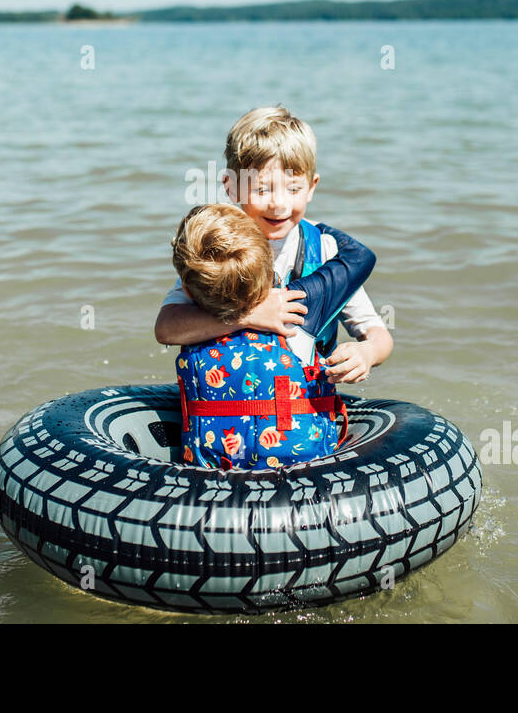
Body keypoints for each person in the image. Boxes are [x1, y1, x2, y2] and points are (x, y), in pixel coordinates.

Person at [155, 105, 393, 383]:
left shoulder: (326, 250)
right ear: (230, 187)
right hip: (228, 405)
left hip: (300, 408)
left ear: (312, 187)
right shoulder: (217, 244)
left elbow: (377, 334)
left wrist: (366, 353)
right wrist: (247, 316)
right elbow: (166, 328)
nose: (279, 203)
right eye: (262, 189)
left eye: (293, 189)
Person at [170, 203, 375, 469]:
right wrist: (313, 227)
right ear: (270, 275)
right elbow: (360, 257)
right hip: (304, 471)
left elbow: (164, 326)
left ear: (186, 289)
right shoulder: (299, 305)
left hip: (212, 472)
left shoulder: (189, 320)